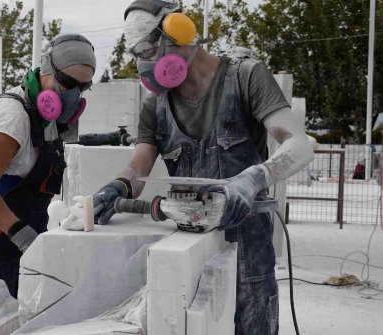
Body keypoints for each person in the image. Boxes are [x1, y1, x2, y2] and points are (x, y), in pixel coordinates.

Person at [92, 1, 313, 334]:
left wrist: (253, 179)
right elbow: (138, 165)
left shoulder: (246, 77)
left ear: (177, 32)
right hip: (188, 244)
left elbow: (299, 146)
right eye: (139, 55)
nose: (146, 64)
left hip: (247, 245)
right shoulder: (157, 106)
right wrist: (118, 188)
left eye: (149, 51)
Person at [0, 34, 96, 297]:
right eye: (68, 83)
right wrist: (24, 237)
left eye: (83, 87)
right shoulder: (11, 117)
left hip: (22, 244)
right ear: (46, 71)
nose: (75, 95)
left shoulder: (45, 119)